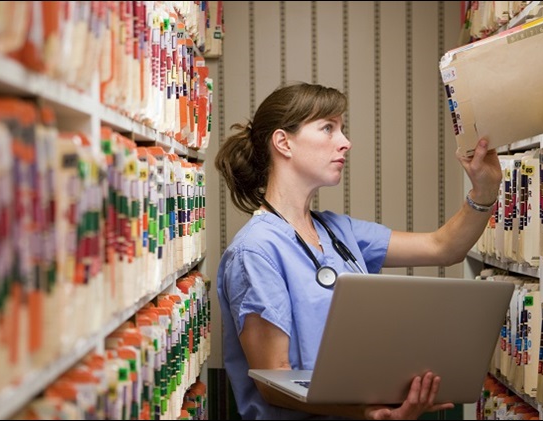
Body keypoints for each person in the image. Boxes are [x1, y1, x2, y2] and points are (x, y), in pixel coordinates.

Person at [214, 82, 502, 420]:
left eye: (342, 128)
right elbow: (273, 382)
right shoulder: (256, 251)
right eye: (328, 128)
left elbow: (444, 247)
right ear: (283, 142)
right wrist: (366, 412)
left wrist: (485, 189)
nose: (345, 142)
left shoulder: (337, 230)